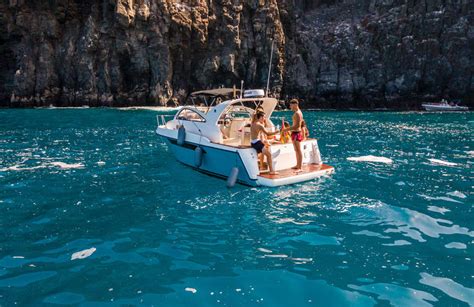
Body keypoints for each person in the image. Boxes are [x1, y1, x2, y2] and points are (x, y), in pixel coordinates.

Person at [281, 99, 303, 172]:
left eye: (291, 105)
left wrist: (286, 129)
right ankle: (298, 165)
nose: (290, 107)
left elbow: (297, 126)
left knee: (298, 150)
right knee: (296, 150)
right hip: (295, 133)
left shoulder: (297, 113)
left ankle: (299, 167)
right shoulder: (298, 112)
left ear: (295, 104)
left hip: (296, 133)